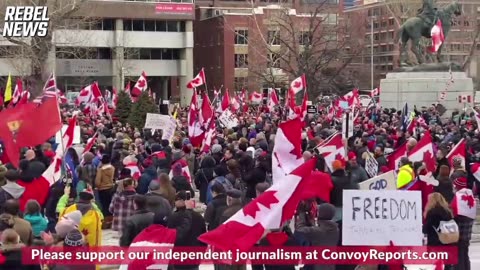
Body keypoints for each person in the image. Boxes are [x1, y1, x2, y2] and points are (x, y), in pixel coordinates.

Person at [167, 191, 207, 270]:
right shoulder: (198, 217)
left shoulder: (174, 217)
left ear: (182, 201)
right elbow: (203, 239)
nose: (175, 202)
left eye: (176, 199)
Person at [95, 154, 115, 228]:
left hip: (102, 189)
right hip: (111, 188)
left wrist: (98, 186)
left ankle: (106, 222)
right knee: (110, 205)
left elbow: (97, 182)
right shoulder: (112, 168)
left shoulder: (101, 170)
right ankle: (111, 220)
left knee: (104, 206)